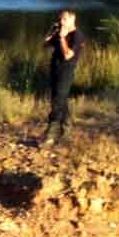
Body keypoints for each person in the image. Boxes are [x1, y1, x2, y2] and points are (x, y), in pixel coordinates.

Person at [42, 9, 85, 146]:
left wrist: (62, 38)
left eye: (64, 19)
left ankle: (50, 135)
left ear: (73, 20)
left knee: (57, 102)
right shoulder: (59, 32)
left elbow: (67, 55)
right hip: (54, 69)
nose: (61, 22)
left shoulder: (77, 36)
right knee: (61, 100)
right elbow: (45, 45)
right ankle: (66, 132)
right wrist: (52, 31)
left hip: (66, 72)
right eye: (60, 19)